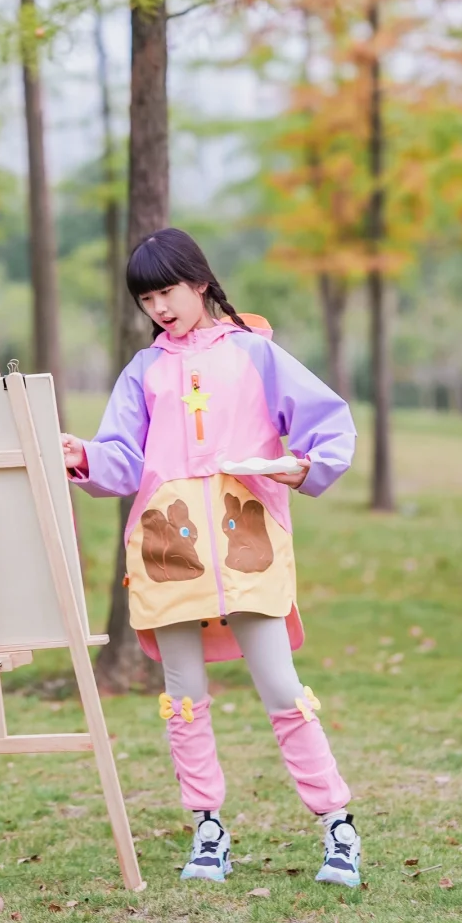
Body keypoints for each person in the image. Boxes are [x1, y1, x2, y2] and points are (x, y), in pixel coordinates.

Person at [61, 228, 359, 888]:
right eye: (147, 299)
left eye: (167, 291)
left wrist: (304, 465)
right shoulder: (144, 372)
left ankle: (336, 824)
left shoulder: (255, 354)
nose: (159, 308)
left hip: (246, 542)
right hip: (168, 549)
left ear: (198, 282)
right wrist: (83, 456)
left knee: (281, 687)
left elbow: (327, 423)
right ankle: (207, 831)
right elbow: (122, 457)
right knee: (184, 698)